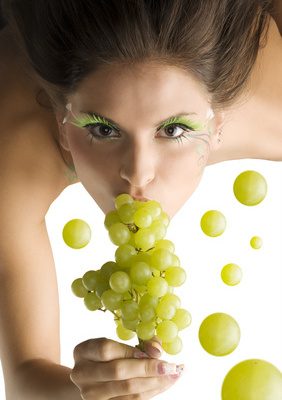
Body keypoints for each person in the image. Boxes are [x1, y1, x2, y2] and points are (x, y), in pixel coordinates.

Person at [0, 0, 281, 399]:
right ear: (63, 126)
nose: (137, 173)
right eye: (102, 129)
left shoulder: (273, 111)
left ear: (218, 124)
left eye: (174, 130)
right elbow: (22, 376)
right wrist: (81, 391)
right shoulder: (12, 147)